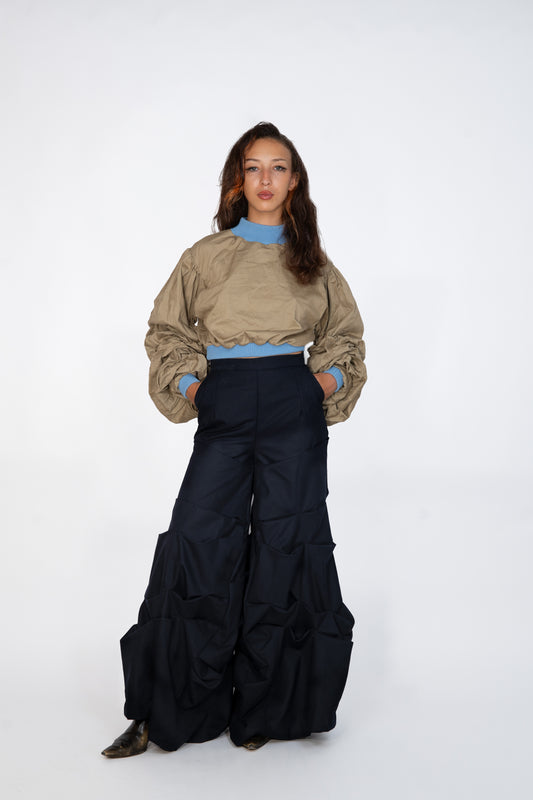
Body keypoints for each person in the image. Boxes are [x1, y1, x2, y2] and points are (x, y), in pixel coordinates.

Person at [101, 121, 367, 758]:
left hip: (292, 404)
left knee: (287, 545)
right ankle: (166, 711)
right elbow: (166, 329)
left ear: (294, 181)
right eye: (253, 167)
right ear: (237, 180)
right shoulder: (205, 256)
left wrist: (320, 384)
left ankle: (269, 709)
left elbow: (346, 337)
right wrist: (195, 390)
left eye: (278, 167)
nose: (265, 179)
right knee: (198, 540)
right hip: (224, 403)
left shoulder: (313, 261)